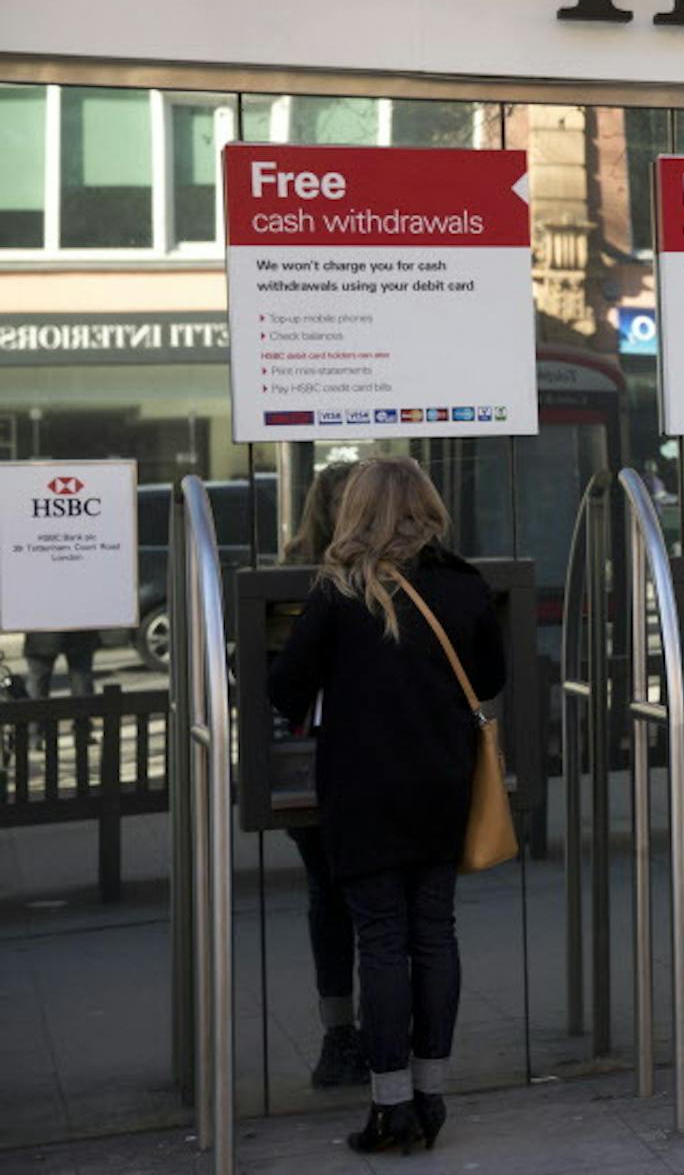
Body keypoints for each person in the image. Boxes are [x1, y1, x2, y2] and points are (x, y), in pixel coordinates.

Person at [268, 458, 506, 1153]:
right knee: (434, 931)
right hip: (442, 785)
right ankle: (431, 1096)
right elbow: (490, 676)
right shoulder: (464, 585)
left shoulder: (340, 591)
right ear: (427, 506)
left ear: (359, 512)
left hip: (363, 793)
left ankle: (389, 1107)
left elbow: (285, 689)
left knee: (381, 940)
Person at [278, 461, 369, 1089]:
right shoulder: (304, 575)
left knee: (351, 903)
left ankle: (358, 1034)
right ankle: (343, 1031)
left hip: (327, 755)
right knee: (335, 899)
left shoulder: (297, 573)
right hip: (322, 759)